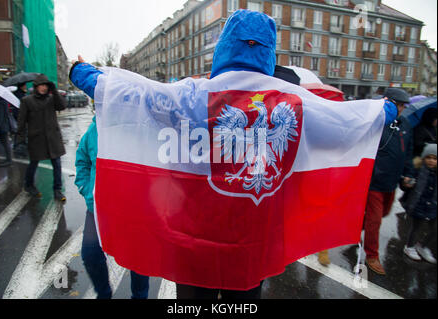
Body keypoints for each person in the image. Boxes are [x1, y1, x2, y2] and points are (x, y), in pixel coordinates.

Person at [69, 10, 398, 298]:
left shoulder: (191, 94)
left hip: (193, 247)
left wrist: (85, 75)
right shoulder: (295, 103)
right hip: (250, 251)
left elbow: (137, 96)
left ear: (224, 47)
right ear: (268, 52)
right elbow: (348, 123)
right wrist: (385, 111)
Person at [75, 115, 150, 299]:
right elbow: (82, 159)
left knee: (138, 258)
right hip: (98, 209)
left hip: (134, 208)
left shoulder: (142, 129)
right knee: (90, 254)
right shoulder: (95, 129)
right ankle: (104, 293)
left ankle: (140, 296)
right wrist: (87, 189)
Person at [363, 87, 414, 275]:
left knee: (383, 214)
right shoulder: (376, 122)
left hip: (391, 182)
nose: (401, 108)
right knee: (375, 220)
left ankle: (358, 227)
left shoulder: (406, 124)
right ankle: (371, 255)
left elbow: (407, 153)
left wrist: (408, 174)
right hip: (375, 181)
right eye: (397, 104)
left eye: (403, 105)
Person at [17, 74, 67, 201]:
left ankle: (57, 190)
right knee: (33, 164)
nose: (44, 88)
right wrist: (20, 141)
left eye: (46, 85)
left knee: (57, 164)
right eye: (41, 85)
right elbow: (21, 122)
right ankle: (29, 185)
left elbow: (62, 106)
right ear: (36, 87)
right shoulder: (27, 101)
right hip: (36, 139)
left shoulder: (51, 98)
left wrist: (54, 91)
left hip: (53, 139)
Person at [401, 143, 437, 264]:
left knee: (434, 229)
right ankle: (409, 246)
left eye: (435, 158)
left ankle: (422, 246)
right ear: (423, 158)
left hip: (433, 206)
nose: (431, 161)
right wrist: (406, 184)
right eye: (429, 158)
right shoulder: (418, 171)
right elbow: (406, 186)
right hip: (419, 205)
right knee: (416, 228)